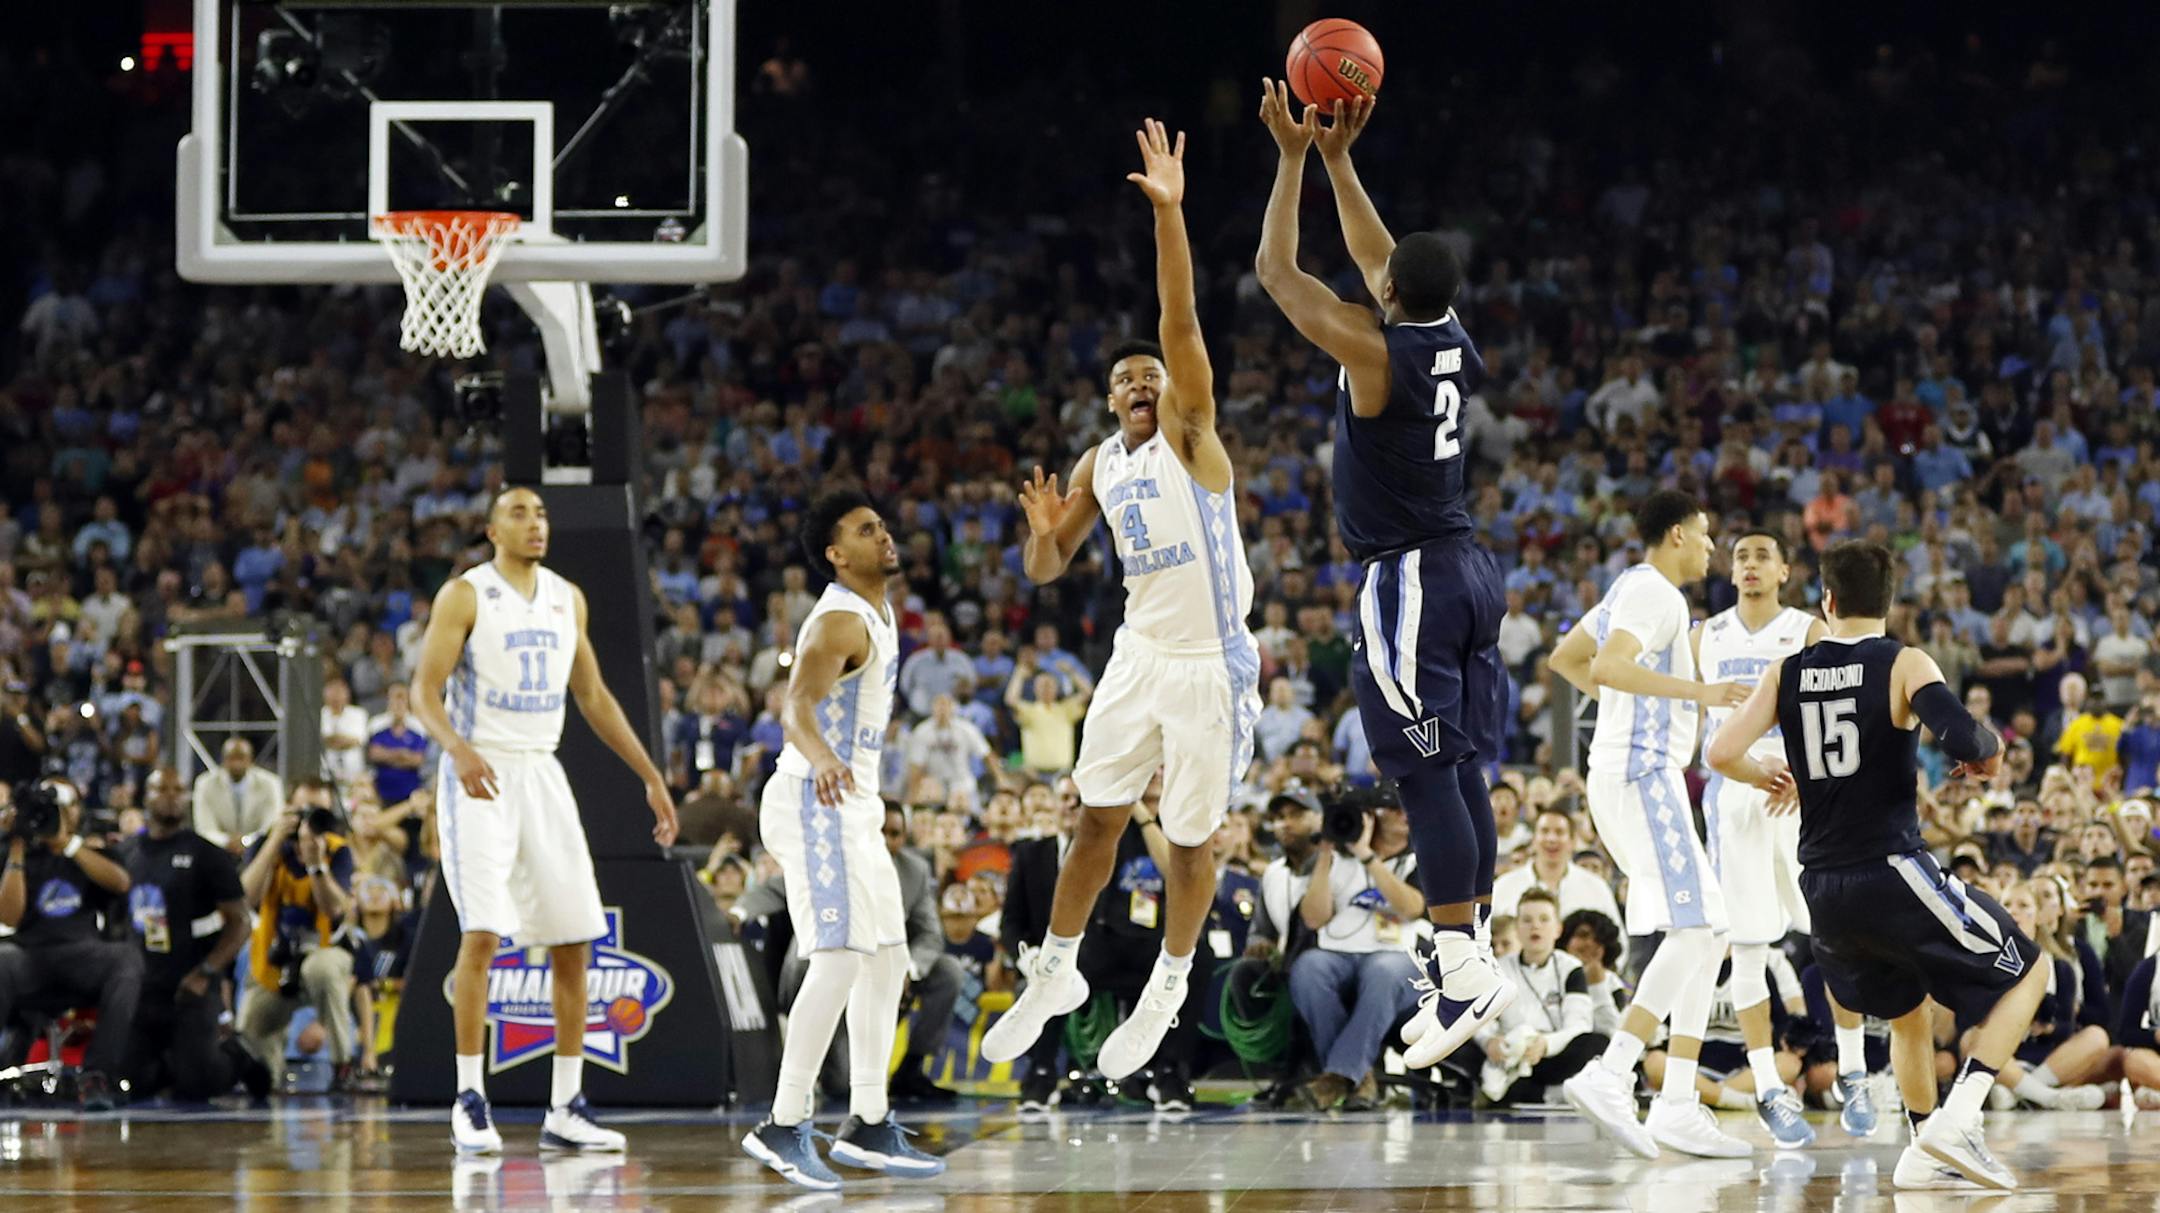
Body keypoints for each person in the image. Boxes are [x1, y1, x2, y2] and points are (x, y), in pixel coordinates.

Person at [982, 120, 1261, 1086]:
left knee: (1188, 840)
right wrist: (1046, 529)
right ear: (1108, 403)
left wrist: (1172, 216)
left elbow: (1179, 323)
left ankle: (1172, 982)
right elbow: (1045, 572)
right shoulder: (1100, 461)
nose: (1140, 381)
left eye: (1148, 376)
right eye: (1124, 379)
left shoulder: (1192, 437)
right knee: (1095, 817)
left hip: (1210, 665)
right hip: (1138, 655)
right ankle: (1054, 967)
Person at [1253, 85, 1513, 1069]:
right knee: (1457, 767)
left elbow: (1279, 273)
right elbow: (1379, 257)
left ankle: (1454, 952)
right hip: (1467, 569)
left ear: (1389, 295)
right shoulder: (1445, 334)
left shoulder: (1374, 351)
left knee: (1417, 769)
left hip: (1406, 576)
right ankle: (1470, 946)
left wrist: (1288, 157)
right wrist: (1338, 159)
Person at [1708, 540, 2051, 1192]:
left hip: (1824, 889)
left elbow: (1723, 749)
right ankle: (1961, 1115)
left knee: (1908, 1012)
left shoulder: (1787, 670)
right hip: (1891, 867)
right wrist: (1991, 754)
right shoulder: (1902, 660)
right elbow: (1965, 736)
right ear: (1887, 604)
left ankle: (1924, 1148)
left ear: (1827, 601)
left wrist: (1771, 775)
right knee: (2030, 970)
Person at [410, 487, 679, 1155]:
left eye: (542, 513)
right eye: (521, 513)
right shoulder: (466, 594)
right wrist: (458, 747)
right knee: (482, 934)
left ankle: (566, 1104)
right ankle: (469, 1096)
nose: (536, 523)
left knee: (573, 938)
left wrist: (650, 775)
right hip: (481, 769)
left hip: (542, 769)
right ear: (491, 528)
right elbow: (423, 689)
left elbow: (592, 695)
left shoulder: (567, 596)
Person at [739, 491, 943, 1191]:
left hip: (853, 802)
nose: (883, 534)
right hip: (814, 797)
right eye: (865, 529)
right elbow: (794, 703)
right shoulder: (839, 619)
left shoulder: (878, 611)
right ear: (835, 553)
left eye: (883, 524)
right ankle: (783, 1120)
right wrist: (826, 758)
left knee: (887, 958)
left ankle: (867, 1118)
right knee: (838, 955)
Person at [1545, 491, 1750, 1159]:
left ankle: (1678, 1101)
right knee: (1697, 929)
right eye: (1705, 534)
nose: (1712, 546)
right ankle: (1612, 1071)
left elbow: (1567, 661)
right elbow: (1603, 666)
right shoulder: (1656, 593)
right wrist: (1700, 695)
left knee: (1712, 928)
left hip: (1628, 776)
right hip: (1643, 779)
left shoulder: (1626, 590)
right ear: (1676, 535)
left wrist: (1624, 713)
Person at [1692, 528, 1876, 1146]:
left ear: (1784, 571)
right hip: (1735, 797)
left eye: (1761, 556)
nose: (1748, 564)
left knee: (1835, 936)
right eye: (1740, 555)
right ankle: (1769, 1085)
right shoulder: (1705, 635)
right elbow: (1699, 728)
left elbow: (1835, 709)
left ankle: (1853, 1069)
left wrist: (1809, 774)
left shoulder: (1806, 631)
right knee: (1746, 946)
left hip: (1800, 793)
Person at [120, 766, 265, 1102]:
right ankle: (169, 1062)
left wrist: (207, 971)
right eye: (162, 789)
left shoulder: (206, 854)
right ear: (146, 796)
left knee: (197, 1085)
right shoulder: (126, 853)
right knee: (129, 1083)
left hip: (191, 986)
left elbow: (240, 921)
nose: (171, 797)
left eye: (178, 790)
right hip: (142, 990)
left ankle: (237, 1057)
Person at [0, 778, 140, 1110]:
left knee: (125, 959)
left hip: (83, 955)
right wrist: (18, 848)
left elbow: (121, 884)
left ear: (76, 812)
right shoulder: (13, 854)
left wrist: (69, 844)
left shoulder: (95, 852)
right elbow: (8, 916)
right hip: (30, 956)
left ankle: (97, 1074)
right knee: (1, 960)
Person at [1286, 785, 1425, 1111]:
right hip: (1338, 954)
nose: (1403, 815)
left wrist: (1368, 857)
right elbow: (1313, 918)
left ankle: (1335, 1077)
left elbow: (1411, 907)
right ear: (1371, 816)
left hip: (1401, 960)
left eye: (1407, 808)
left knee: (1382, 971)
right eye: (1393, 809)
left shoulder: (1422, 857)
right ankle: (1357, 1078)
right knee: (1309, 968)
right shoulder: (1337, 861)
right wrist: (1324, 855)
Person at [236, 780, 358, 1092]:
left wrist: (317, 865)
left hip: (324, 954)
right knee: (250, 1028)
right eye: (305, 811)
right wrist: (275, 840)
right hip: (275, 961)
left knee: (321, 968)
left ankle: (343, 1065)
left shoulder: (337, 850)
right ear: (288, 809)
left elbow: (334, 910)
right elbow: (246, 897)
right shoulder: (268, 844)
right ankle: (268, 1078)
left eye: (321, 812)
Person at [1477, 889, 1608, 1105]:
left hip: (1552, 1053)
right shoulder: (1498, 968)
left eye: (1544, 920)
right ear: (1517, 929)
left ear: (1558, 929)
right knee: (1460, 1044)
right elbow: (1481, 1017)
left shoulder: (1571, 968)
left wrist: (1545, 1044)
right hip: (1510, 1053)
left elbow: (1579, 1025)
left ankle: (1534, 1093)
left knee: (1597, 1043)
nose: (1535, 926)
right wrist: (1489, 1041)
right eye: (1527, 920)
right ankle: (1543, 1093)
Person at [190, 737, 284, 854]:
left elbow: (271, 825)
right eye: (232, 758)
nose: (236, 763)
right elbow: (204, 829)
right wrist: (227, 842)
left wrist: (246, 841)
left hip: (260, 851)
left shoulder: (271, 783)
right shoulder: (205, 783)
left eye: (241, 757)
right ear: (223, 760)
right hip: (217, 851)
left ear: (250, 760)